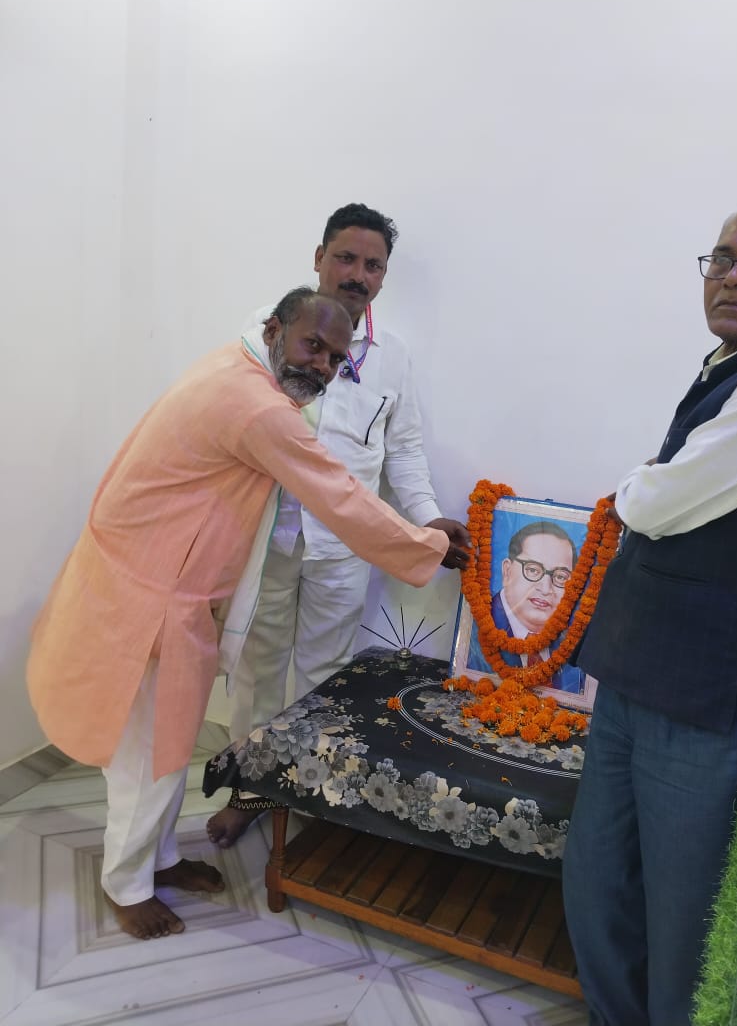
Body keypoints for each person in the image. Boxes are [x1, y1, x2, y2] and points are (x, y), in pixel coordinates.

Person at [27, 288, 468, 942]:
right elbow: (338, 494)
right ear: (273, 330)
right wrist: (427, 545)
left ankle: (160, 859)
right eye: (312, 346)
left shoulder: (234, 369)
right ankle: (126, 885)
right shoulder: (256, 407)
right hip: (149, 596)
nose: (322, 367)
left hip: (171, 591)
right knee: (145, 752)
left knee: (169, 742)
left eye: (336, 358)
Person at [562, 197, 737, 1026]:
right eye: (721, 259)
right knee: (598, 885)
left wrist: (640, 482)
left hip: (707, 703)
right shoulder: (730, 364)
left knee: (684, 926)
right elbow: (674, 495)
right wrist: (656, 483)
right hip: (637, 678)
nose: (734, 277)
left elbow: (656, 501)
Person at [207, 203, 471, 848]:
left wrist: (428, 518)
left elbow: (402, 450)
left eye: (372, 265)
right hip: (268, 537)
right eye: (346, 258)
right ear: (319, 257)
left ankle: (309, 795)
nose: (357, 274)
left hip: (344, 546)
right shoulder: (266, 331)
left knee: (326, 673)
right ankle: (251, 789)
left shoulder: (392, 356)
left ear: (383, 276)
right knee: (257, 672)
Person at [467, 520, 585, 692]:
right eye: (533, 570)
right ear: (507, 571)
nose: (545, 589)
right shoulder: (473, 637)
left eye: (560, 576)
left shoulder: (575, 640)